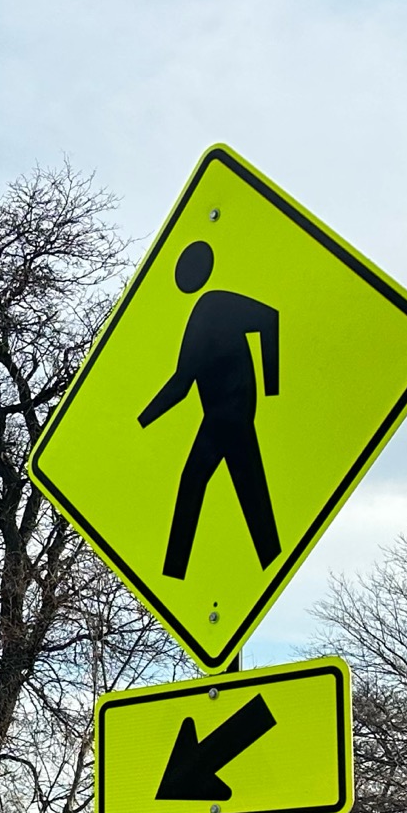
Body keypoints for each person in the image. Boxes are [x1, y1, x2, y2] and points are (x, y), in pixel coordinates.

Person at [139, 239, 282, 579]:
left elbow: (269, 319)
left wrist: (272, 387)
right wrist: (138, 421)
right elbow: (182, 383)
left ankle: (176, 572)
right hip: (218, 417)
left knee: (216, 485)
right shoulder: (200, 316)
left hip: (232, 414)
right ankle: (178, 572)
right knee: (236, 490)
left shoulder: (216, 305)